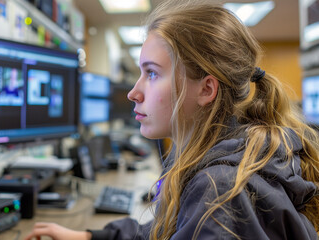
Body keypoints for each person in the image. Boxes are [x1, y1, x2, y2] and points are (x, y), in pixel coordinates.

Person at [24, 1, 319, 240]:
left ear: (206, 89)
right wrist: (90, 236)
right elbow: (168, 230)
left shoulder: (220, 191)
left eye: (151, 73)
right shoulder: (225, 159)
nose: (133, 93)